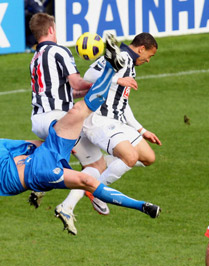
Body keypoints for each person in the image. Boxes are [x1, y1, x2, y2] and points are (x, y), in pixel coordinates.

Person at [0, 37, 161, 266]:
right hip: (37, 173)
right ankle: (142, 206)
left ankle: (110, 70)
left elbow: (29, 142)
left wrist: (63, 140)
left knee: (78, 110)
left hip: (46, 151)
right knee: (88, 180)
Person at [55, 33, 162, 233]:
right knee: (129, 157)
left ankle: (97, 170)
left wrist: (141, 129)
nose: (148, 60)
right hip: (99, 120)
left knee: (148, 157)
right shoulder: (119, 56)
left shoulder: (129, 64)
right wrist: (117, 79)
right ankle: (96, 190)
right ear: (141, 48)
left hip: (117, 121)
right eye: (149, 55)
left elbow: (122, 102)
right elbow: (89, 76)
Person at [27, 12, 111, 222]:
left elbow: (67, 92)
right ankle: (68, 205)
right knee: (97, 166)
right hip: (59, 120)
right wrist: (103, 83)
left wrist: (87, 91)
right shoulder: (58, 51)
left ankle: (41, 183)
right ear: (51, 30)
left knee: (60, 158)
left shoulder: (35, 58)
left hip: (39, 120)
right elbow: (77, 84)